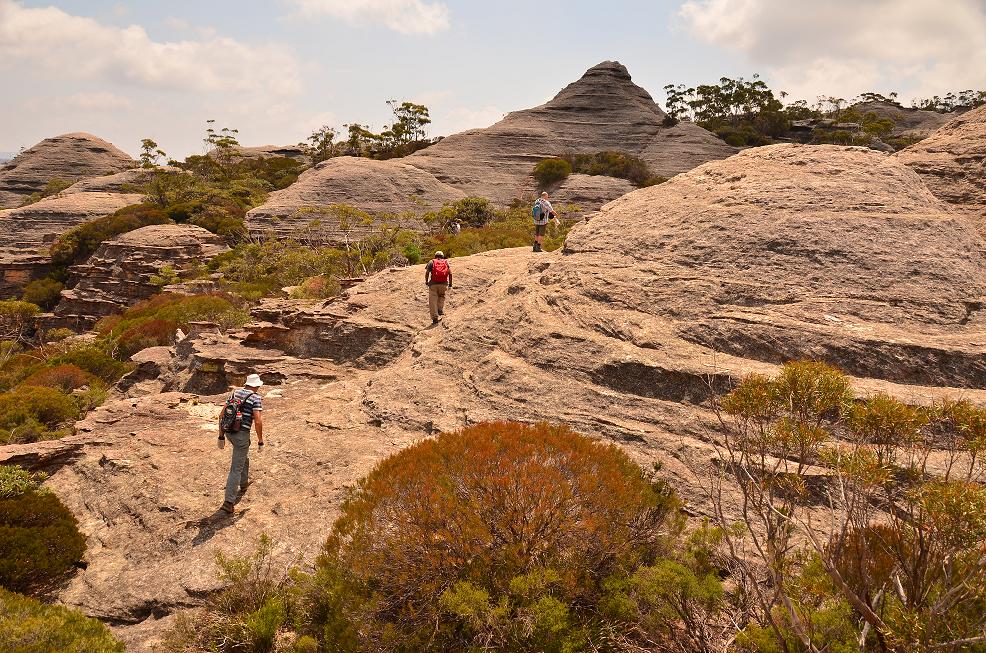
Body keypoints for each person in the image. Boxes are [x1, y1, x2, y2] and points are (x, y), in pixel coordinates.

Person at [217, 374, 265, 514]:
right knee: (235, 469)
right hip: (241, 434)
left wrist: (221, 436)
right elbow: (258, 420)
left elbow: (222, 415)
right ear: (256, 385)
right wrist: (260, 440)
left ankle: (244, 484)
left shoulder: (235, 393)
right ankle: (228, 502)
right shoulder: (255, 398)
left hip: (229, 432)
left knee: (243, 455)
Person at [425, 251, 452, 324]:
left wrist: (426, 281)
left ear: (435, 256)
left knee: (433, 300)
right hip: (443, 284)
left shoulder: (431, 262)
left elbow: (427, 272)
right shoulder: (446, 262)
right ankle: (440, 309)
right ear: (442, 256)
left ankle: (435, 318)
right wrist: (450, 284)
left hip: (433, 284)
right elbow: (450, 273)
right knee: (441, 296)